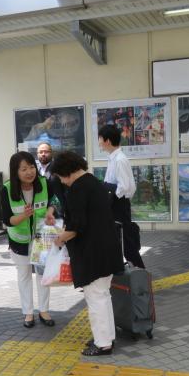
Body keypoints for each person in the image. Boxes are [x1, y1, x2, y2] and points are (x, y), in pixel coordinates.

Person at [52, 152, 124, 356]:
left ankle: (103, 344)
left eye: (60, 175)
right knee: (103, 295)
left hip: (92, 253)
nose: (61, 180)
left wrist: (59, 239)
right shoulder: (94, 182)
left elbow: (76, 226)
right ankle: (107, 337)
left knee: (95, 298)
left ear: (67, 171)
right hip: (107, 249)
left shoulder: (78, 189)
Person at [1, 151, 57, 328]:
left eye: (32, 167)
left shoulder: (44, 182)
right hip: (19, 240)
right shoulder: (7, 189)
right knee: (24, 275)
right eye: (24, 169)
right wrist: (23, 216)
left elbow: (53, 202)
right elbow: (6, 219)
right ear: (15, 171)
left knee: (42, 274)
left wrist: (49, 214)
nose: (29, 172)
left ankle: (44, 310)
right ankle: (27, 313)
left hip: (41, 237)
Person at [98, 124, 145, 268]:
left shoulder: (119, 160)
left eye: (100, 138)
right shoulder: (113, 158)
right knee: (118, 241)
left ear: (107, 141)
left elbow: (124, 186)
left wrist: (110, 197)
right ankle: (119, 275)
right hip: (117, 204)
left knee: (127, 243)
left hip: (119, 205)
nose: (99, 142)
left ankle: (141, 276)